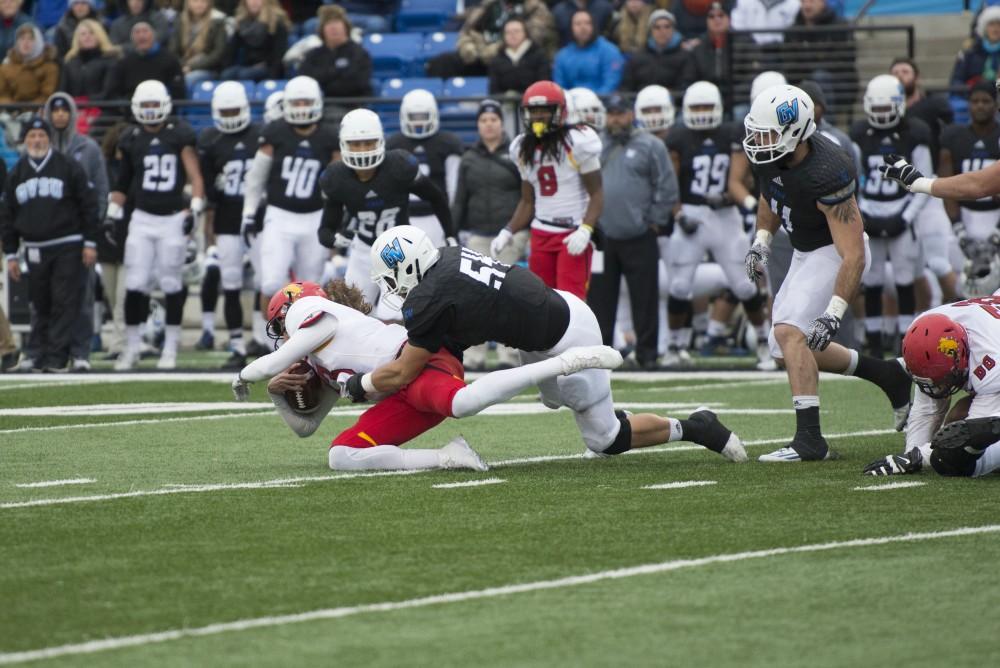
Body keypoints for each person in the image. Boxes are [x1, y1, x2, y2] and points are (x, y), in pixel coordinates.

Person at [358, 224, 748, 462]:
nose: (392, 288)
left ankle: (697, 426)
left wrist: (358, 385)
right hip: (552, 316)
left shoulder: (430, 297)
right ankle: (606, 407)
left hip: (568, 337)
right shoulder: (445, 257)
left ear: (409, 266)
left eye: (391, 277)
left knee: (605, 440)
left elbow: (407, 370)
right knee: (555, 399)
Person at [231, 279, 625, 471]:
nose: (282, 334)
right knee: (341, 455)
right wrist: (276, 394)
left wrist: (246, 375)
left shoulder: (310, 314)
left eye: (280, 324)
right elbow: (307, 427)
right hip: (402, 394)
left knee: (463, 402)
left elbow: (268, 360)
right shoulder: (319, 356)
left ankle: (567, 362)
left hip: (418, 363)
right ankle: (448, 457)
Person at [743, 83, 914, 462]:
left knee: (791, 334)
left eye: (767, 133)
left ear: (795, 133)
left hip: (836, 252)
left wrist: (833, 314)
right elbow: (772, 195)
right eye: (756, 131)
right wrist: (761, 241)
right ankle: (887, 374)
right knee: (782, 348)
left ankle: (810, 441)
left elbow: (852, 255)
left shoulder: (827, 170)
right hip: (806, 251)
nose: (757, 140)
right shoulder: (769, 155)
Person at [663, 81, 770, 368]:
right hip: (692, 213)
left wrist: (726, 196)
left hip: (725, 216)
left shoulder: (732, 133)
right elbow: (670, 183)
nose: (701, 112)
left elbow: (743, 177)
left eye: (707, 107)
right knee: (679, 285)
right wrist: (678, 214)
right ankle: (675, 346)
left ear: (719, 108)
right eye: (696, 107)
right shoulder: (677, 137)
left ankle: (763, 342)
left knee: (745, 286)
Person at [316, 108, 456, 313]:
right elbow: (325, 230)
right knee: (350, 313)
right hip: (363, 250)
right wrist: (336, 239)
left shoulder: (399, 165)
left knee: (391, 314)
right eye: (356, 144)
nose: (363, 149)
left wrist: (450, 233)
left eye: (368, 142)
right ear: (344, 145)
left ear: (380, 141)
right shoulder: (336, 178)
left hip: (399, 251)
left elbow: (436, 197)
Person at [109, 80, 205, 370]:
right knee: (135, 283)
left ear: (164, 105)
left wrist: (196, 208)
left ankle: (170, 348)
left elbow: (195, 176)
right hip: (142, 217)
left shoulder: (179, 134)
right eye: (146, 105)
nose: (151, 111)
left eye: (154, 104)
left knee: (170, 282)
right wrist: (112, 212)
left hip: (173, 217)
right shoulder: (131, 137)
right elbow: (122, 182)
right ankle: (132, 347)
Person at [1, 117, 98, 372]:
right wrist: (11, 253)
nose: (36, 140)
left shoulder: (67, 166)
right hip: (34, 246)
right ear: (25, 140)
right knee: (39, 303)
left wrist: (90, 241)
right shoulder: (17, 173)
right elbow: (7, 216)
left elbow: (88, 204)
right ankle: (36, 353)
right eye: (32, 136)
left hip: (67, 243)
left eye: (41, 136)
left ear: (49, 139)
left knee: (63, 301)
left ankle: (57, 357)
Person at [490, 80, 602, 301]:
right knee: (541, 303)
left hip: (572, 233)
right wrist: (508, 230)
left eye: (544, 111)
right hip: (540, 233)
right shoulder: (523, 147)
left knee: (572, 304)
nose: (538, 117)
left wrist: (586, 229)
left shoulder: (577, 142)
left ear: (560, 112)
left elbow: (597, 194)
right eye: (534, 112)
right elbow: (527, 201)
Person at [240, 75, 338, 326]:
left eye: (307, 102)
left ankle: (306, 345)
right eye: (297, 102)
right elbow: (256, 177)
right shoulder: (275, 132)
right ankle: (269, 340)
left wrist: (337, 219)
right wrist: (249, 212)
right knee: (271, 282)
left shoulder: (328, 136)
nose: (302, 108)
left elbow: (340, 184)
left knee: (311, 287)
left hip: (315, 216)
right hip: (280, 214)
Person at [587, 93, 675, 370]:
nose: (616, 118)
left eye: (621, 113)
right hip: (602, 236)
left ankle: (647, 354)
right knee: (600, 300)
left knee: (645, 298)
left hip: (640, 234)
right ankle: (600, 356)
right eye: (611, 113)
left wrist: (654, 220)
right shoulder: (594, 145)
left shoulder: (651, 145)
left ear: (631, 114)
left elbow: (667, 185)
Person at [850, 74, 933, 358]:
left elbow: (924, 181)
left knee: (903, 280)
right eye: (877, 109)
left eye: (887, 109)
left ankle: (905, 342)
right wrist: (862, 215)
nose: (882, 115)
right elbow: (853, 180)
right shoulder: (860, 134)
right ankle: (873, 344)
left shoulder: (915, 132)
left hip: (901, 214)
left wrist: (905, 218)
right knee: (871, 280)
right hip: (870, 212)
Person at [863, 307, 1000, 479]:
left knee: (959, 460)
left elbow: (977, 431)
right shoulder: (926, 329)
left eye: (943, 379)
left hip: (995, 353)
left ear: (962, 355)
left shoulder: (991, 361)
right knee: (954, 428)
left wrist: (920, 456)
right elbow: (927, 410)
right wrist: (911, 454)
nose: (937, 388)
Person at [452, 99, 526, 370]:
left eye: (493, 119)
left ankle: (509, 356)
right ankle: (474, 356)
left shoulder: (516, 152)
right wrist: (452, 231)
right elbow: (460, 198)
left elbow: (527, 195)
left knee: (505, 293)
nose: (489, 124)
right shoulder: (469, 157)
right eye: (483, 120)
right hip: (479, 233)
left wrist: (517, 229)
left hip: (509, 232)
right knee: (473, 294)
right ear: (478, 125)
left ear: (501, 123)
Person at [195, 82, 261, 369]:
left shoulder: (260, 135)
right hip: (226, 220)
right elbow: (208, 189)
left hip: (258, 221)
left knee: (265, 281)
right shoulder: (211, 140)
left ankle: (261, 338)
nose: (231, 115)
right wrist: (214, 189)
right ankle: (236, 344)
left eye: (235, 109)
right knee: (231, 282)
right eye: (226, 111)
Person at [42, 92, 108, 372]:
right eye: (54, 110)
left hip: (80, 237)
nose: (59, 115)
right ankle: (50, 353)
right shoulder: (38, 147)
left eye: (64, 110)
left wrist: (93, 229)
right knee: (47, 298)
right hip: (48, 236)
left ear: (71, 114)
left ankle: (81, 352)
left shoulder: (88, 148)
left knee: (83, 295)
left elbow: (101, 191)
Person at [386, 89, 464, 248]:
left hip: (436, 216)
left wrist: (450, 222)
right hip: (404, 217)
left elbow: (454, 187)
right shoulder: (394, 144)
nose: (419, 122)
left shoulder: (447, 143)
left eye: (423, 116)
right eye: (414, 117)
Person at [939, 82, 1000, 258]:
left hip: (995, 213)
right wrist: (959, 229)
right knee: (962, 278)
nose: (980, 105)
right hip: (963, 214)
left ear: (995, 104)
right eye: (975, 101)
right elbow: (947, 185)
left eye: (986, 101)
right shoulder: (953, 136)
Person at [784, 0, 856, 116]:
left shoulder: (841, 27)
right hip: (801, 84)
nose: (807, 5)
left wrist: (807, 61)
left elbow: (843, 62)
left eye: (811, 1)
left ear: (823, 2)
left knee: (820, 77)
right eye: (803, 1)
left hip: (838, 87)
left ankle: (824, 126)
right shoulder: (792, 31)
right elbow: (790, 66)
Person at [298, 6, 372, 100]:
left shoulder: (359, 53)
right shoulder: (312, 55)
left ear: (346, 27)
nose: (333, 27)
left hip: (352, 105)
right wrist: (337, 72)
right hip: (321, 106)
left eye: (337, 22)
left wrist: (325, 82)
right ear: (322, 29)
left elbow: (358, 84)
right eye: (328, 23)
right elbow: (305, 81)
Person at [106, 21, 185, 102]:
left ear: (154, 35)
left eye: (145, 31)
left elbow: (178, 92)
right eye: (137, 32)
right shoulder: (124, 63)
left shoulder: (170, 60)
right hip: (132, 108)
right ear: (132, 38)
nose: (141, 35)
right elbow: (113, 92)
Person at [619, 9, 693, 94]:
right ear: (651, 31)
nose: (662, 31)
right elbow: (626, 87)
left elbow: (685, 86)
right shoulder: (637, 58)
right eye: (657, 27)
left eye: (667, 26)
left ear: (673, 29)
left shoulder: (685, 57)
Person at [552, 10, 623, 95]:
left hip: (603, 103)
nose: (583, 27)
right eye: (578, 24)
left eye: (587, 23)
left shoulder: (610, 51)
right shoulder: (562, 56)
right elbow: (560, 87)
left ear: (594, 26)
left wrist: (593, 101)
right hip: (571, 104)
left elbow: (611, 83)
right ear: (571, 28)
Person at [220, 0, 289, 82]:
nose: (254, 2)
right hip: (248, 65)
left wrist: (271, 76)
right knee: (227, 74)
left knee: (245, 74)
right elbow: (231, 49)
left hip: (268, 65)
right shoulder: (242, 23)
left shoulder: (276, 22)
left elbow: (279, 53)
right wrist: (224, 68)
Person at [169, 0, 228, 89]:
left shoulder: (217, 22)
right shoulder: (180, 21)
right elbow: (173, 51)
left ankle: (185, 103)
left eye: (203, 1)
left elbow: (218, 53)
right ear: (188, 3)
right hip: (183, 66)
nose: (199, 4)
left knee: (189, 79)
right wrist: (182, 66)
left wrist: (191, 67)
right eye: (195, 1)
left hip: (209, 69)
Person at [487, 16, 552, 96]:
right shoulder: (497, 60)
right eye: (508, 32)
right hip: (506, 103)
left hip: (534, 102)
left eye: (516, 31)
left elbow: (544, 84)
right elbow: (494, 91)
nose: (513, 35)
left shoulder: (539, 55)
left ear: (525, 33)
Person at [59, 18, 120, 100]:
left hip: (103, 109)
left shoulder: (111, 60)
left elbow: (108, 93)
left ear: (99, 36)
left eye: (92, 33)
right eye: (83, 34)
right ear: (78, 39)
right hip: (74, 109)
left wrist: (84, 101)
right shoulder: (69, 62)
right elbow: (63, 92)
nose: (87, 36)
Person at [0, 23, 58, 105]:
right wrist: (12, 111)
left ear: (38, 42)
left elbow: (46, 94)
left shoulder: (49, 67)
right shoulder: (5, 67)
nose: (26, 43)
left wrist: (29, 111)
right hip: (10, 112)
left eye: (30, 39)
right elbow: (2, 94)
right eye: (22, 39)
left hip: (38, 112)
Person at [688, 2, 734, 103]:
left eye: (721, 15)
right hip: (705, 102)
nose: (717, 20)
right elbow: (690, 79)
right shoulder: (698, 48)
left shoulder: (740, 44)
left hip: (735, 101)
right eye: (711, 16)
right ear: (706, 21)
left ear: (729, 18)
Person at [951, 6, 1000, 91]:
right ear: (984, 28)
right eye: (991, 24)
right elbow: (956, 82)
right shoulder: (969, 54)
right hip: (973, 99)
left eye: (999, 24)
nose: (996, 29)